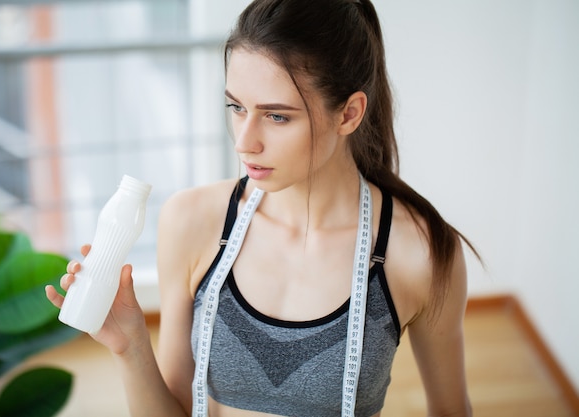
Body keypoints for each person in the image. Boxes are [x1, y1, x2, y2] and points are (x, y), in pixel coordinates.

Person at [46, 0, 477, 415]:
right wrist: (132, 346)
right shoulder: (192, 222)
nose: (243, 142)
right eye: (236, 107)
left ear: (348, 114)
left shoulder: (420, 254)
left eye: (276, 116)